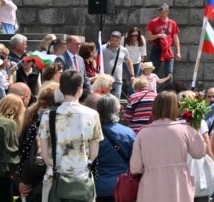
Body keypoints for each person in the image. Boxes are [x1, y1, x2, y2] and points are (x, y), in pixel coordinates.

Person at [131, 90, 206, 202]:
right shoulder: (185, 130)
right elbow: (200, 153)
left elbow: (135, 167)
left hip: (152, 186)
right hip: (178, 185)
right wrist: (196, 127)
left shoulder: (143, 133)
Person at [38, 70, 101, 202]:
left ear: (60, 88)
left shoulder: (47, 115)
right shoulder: (92, 115)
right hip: (82, 179)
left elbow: (44, 154)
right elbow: (94, 153)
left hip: (54, 178)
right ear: (80, 88)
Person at [18, 80, 59, 202]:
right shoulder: (46, 121)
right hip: (40, 182)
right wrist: (26, 181)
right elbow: (37, 159)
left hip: (29, 180)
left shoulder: (32, 116)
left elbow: (22, 151)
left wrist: (22, 180)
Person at [93, 94, 135, 202]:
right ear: (117, 110)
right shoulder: (128, 133)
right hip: (123, 185)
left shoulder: (92, 133)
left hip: (98, 186)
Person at [147, 3, 182, 78]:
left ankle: (169, 89)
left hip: (168, 49)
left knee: (169, 72)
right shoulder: (153, 22)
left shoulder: (172, 23)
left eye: (163, 13)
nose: (162, 15)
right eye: (160, 13)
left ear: (167, 12)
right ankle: (152, 88)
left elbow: (175, 38)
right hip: (156, 49)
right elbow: (148, 37)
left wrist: (178, 52)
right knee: (153, 70)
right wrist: (158, 35)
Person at [101, 31, 132, 99]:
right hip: (104, 80)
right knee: (103, 100)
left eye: (116, 40)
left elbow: (129, 61)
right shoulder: (102, 48)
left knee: (116, 101)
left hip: (117, 80)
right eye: (112, 39)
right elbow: (95, 59)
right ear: (109, 39)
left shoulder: (124, 50)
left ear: (120, 40)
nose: (114, 41)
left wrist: (132, 75)